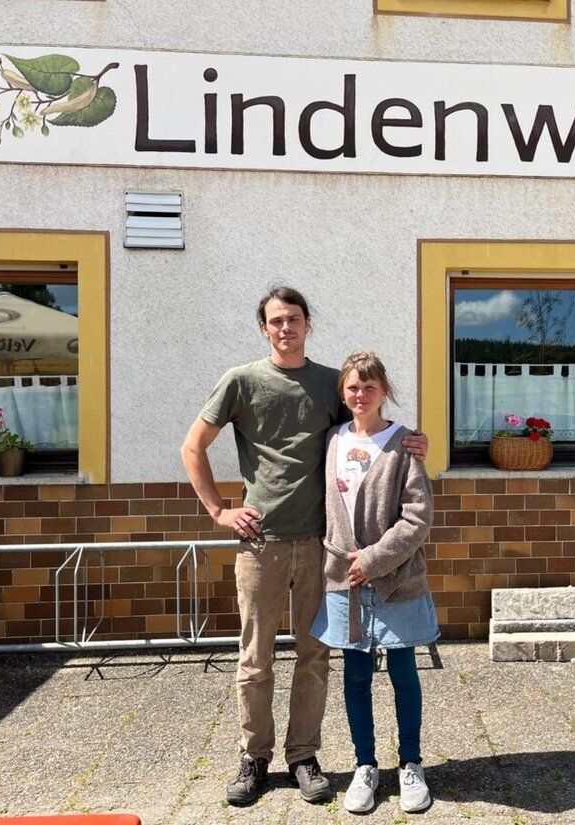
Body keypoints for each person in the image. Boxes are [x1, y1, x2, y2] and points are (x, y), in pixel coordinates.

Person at [180, 287, 426, 808]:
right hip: (260, 545)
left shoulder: (328, 383)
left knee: (314, 656)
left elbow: (367, 423)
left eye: (293, 319)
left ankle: (304, 756)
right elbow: (193, 446)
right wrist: (219, 511)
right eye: (276, 321)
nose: (285, 327)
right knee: (255, 658)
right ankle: (254, 757)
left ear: (307, 324)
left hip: (320, 545)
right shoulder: (241, 381)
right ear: (264, 329)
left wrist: (416, 442)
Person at [310, 351, 439, 815]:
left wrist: (374, 559)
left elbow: (418, 518)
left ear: (384, 391)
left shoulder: (405, 443)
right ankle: (366, 765)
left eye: (369, 387)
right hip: (344, 581)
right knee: (356, 674)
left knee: (404, 673)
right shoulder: (331, 440)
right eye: (352, 388)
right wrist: (350, 562)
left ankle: (410, 764)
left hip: (396, 579)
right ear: (343, 394)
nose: (360, 396)